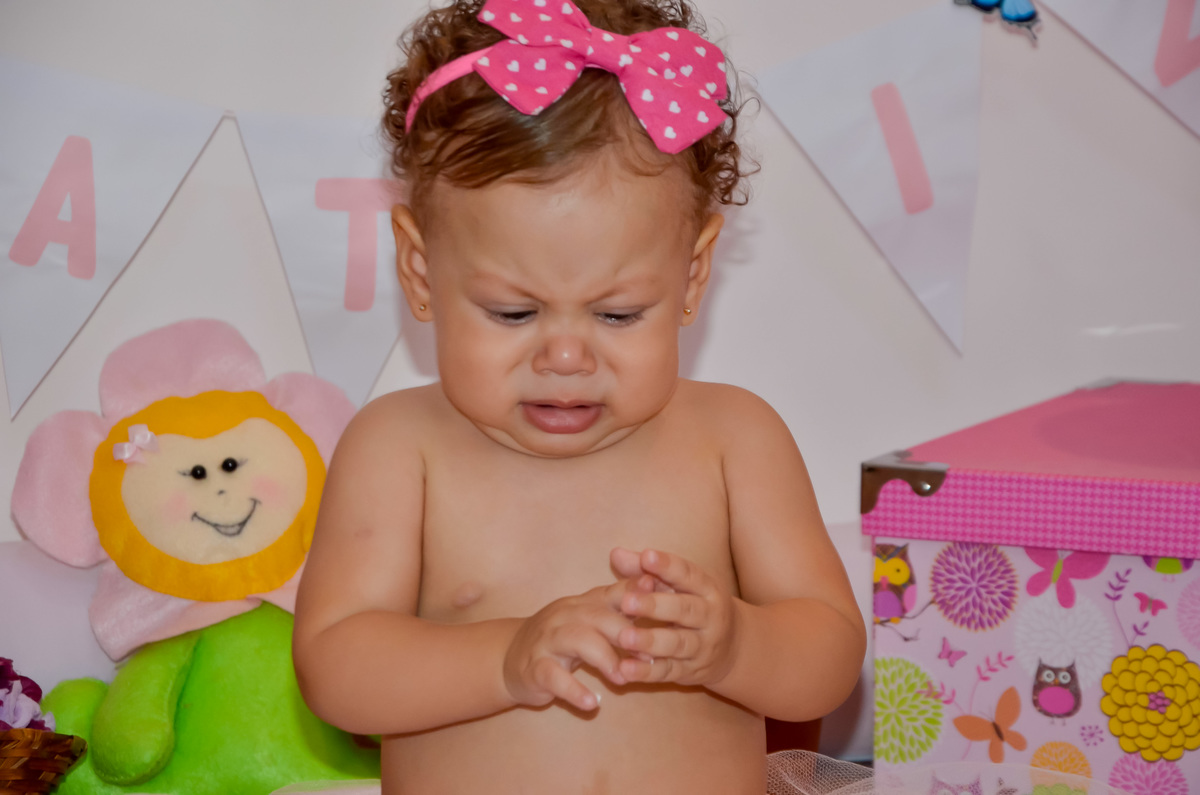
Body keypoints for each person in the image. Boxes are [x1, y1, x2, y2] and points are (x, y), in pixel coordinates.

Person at [292, 1, 865, 792]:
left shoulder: (735, 438)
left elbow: (829, 660)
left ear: (693, 273)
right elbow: (336, 669)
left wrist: (737, 646)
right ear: (421, 272)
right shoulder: (399, 447)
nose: (565, 356)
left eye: (618, 313)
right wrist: (505, 655)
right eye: (513, 313)